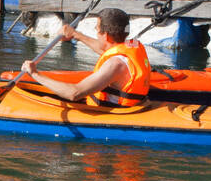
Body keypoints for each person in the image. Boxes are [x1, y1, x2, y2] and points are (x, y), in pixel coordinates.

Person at [21, 6, 151, 108]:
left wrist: (35, 74)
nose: (96, 33)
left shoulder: (115, 64)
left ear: (105, 35)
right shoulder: (132, 44)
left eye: (97, 29)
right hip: (134, 104)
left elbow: (74, 94)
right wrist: (76, 35)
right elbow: (106, 48)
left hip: (114, 113)